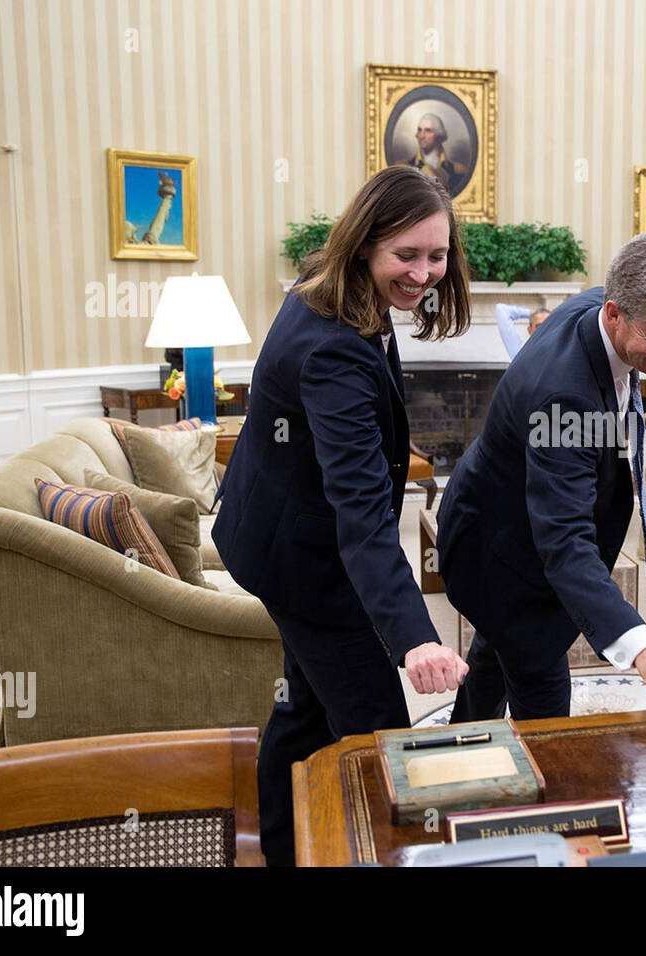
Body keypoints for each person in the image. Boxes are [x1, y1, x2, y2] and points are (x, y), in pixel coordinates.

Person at [211, 166, 471, 866]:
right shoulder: (332, 351)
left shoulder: (325, 284)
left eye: (437, 254)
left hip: (277, 532)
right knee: (377, 736)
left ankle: (276, 848)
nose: (423, 273)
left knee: (302, 713)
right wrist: (415, 638)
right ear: (365, 247)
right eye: (405, 256)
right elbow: (358, 516)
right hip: (309, 564)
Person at [437, 231, 646, 720]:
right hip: (499, 553)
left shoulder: (597, 304)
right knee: (544, 710)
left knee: (491, 658)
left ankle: (459, 752)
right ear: (614, 314)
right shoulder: (567, 399)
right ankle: (547, 796)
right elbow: (565, 542)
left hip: (501, 513)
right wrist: (644, 649)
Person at [404, 113, 470, 197]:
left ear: (439, 135)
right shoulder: (405, 167)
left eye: (428, 131)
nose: (422, 136)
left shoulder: (458, 170)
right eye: (420, 130)